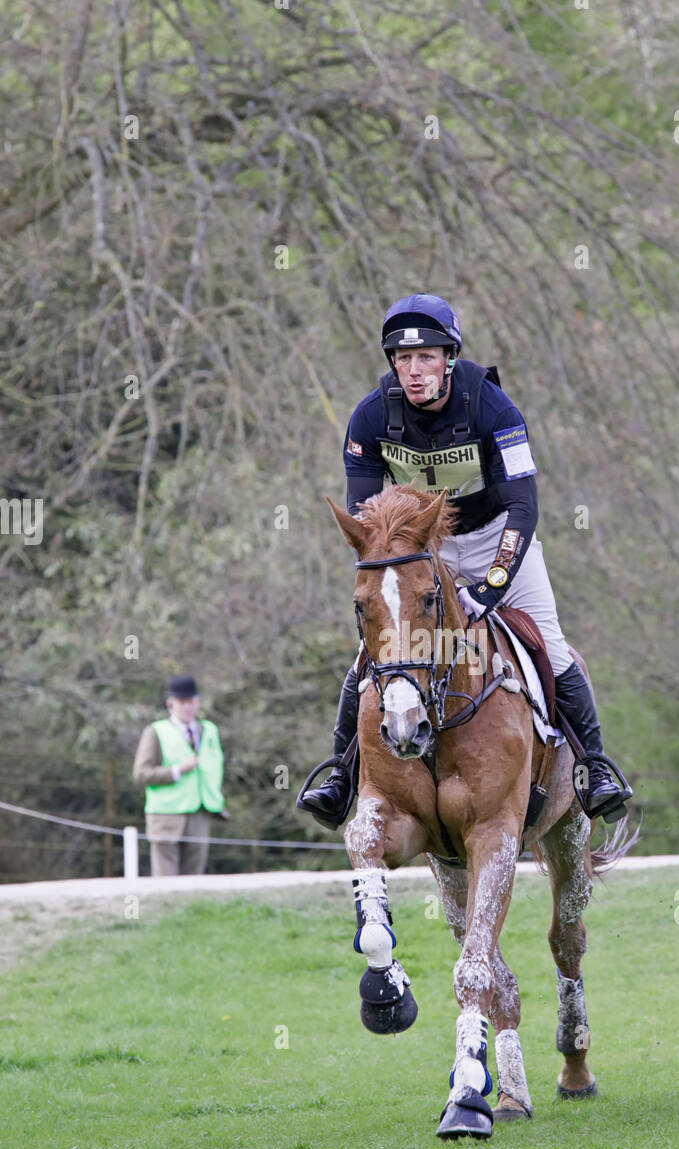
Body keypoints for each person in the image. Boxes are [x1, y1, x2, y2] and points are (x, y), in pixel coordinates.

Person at [297, 293, 631, 829]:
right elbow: (368, 522)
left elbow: (524, 507)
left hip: (501, 535)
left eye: (426, 357)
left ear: (449, 358)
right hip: (427, 547)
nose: (413, 371)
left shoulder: (493, 407)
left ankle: (595, 767)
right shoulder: (369, 417)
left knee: (550, 642)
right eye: (403, 360)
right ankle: (341, 773)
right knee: (370, 655)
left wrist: (491, 588)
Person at [132, 675, 227, 875]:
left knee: (193, 883)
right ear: (170, 704)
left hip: (200, 814)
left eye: (192, 701)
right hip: (166, 816)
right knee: (167, 884)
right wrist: (177, 771)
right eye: (183, 702)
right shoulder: (155, 731)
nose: (188, 707)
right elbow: (141, 773)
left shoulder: (209, 730)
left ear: (198, 702)